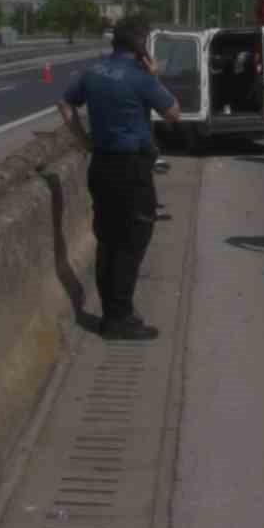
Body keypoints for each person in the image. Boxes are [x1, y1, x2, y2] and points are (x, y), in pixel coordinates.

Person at [58, 17, 182, 340]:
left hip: (100, 164)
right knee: (134, 238)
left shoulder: (93, 71)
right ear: (141, 45)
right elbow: (173, 113)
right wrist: (155, 76)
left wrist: (82, 140)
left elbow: (65, 103)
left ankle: (111, 312)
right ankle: (120, 317)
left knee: (108, 238)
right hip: (131, 169)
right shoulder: (141, 78)